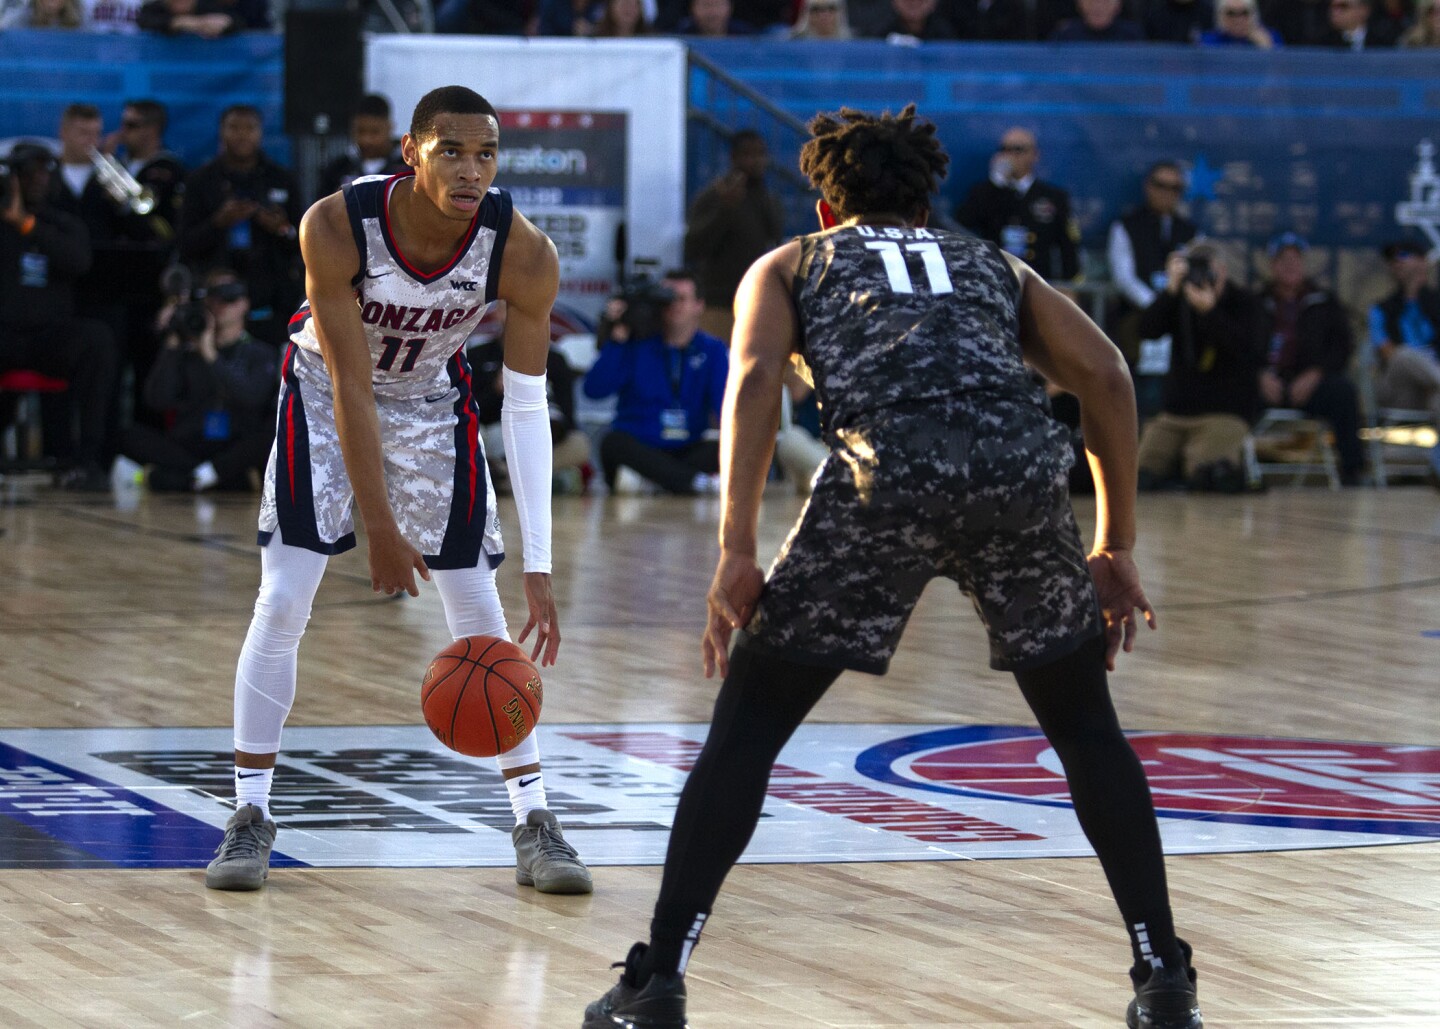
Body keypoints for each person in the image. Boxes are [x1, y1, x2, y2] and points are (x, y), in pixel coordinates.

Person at [582, 104, 1203, 1029]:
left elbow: (753, 383)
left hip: (887, 473)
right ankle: (1163, 978)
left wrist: (736, 552)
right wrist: (1116, 545)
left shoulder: (793, 262)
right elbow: (1107, 374)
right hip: (1020, 472)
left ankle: (658, 978)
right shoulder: (997, 262)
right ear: (928, 196)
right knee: (1086, 730)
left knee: (748, 728)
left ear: (825, 205)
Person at [204, 85, 592, 897]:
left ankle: (534, 819)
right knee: (282, 602)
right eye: (451, 150)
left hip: (430, 398)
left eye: (486, 153)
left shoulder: (522, 252)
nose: (471, 169)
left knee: (480, 614)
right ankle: (248, 814)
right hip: (323, 390)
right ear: (410, 152)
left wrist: (541, 563)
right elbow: (349, 382)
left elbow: (525, 406)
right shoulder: (336, 225)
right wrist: (378, 524)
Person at [0, 143, 119, 490]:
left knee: (97, 339)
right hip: (4, 334)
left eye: (45, 170)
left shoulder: (62, 222)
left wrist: (26, 225)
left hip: (47, 337)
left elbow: (79, 262)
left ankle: (86, 460)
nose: (39, 178)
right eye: (30, 170)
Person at [118, 266, 277, 492]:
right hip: (191, 445)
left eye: (229, 297)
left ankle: (177, 479)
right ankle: (212, 478)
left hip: (236, 446)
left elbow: (251, 397)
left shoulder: (261, 353)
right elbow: (157, 400)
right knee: (129, 434)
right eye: (215, 297)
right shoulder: (186, 352)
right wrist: (172, 342)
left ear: (245, 304)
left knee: (276, 430)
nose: (221, 304)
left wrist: (210, 354)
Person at [582, 270, 730, 494]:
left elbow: (725, 408)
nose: (673, 305)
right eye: (667, 298)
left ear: (699, 305)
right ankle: (694, 482)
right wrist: (618, 337)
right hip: (639, 445)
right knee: (612, 443)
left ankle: (653, 482)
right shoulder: (635, 344)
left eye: (681, 299)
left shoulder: (712, 350)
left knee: (728, 448)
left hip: (687, 446)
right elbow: (594, 389)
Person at [1136, 242, 1265, 491]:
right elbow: (1146, 330)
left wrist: (1210, 312)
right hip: (1175, 414)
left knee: (1206, 475)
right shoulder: (1179, 300)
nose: (1202, 277)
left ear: (1224, 271)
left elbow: (1251, 353)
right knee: (1142, 472)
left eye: (1208, 269)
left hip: (1224, 413)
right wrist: (1170, 291)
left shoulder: (1247, 303)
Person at [178, 104, 304, 347]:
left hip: (271, 301)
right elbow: (185, 244)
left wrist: (281, 228)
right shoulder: (200, 181)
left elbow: (302, 243)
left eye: (249, 128)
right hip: (216, 300)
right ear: (221, 132)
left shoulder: (282, 179)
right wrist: (218, 223)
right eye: (234, 127)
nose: (242, 135)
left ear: (261, 133)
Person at [1255, 232, 1365, 485]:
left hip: (1310, 383)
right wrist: (1258, 375)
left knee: (1344, 392)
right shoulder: (1256, 302)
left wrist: (1316, 373)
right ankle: (1229, 465)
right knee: (1232, 391)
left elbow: (1342, 346)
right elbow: (1240, 346)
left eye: (1296, 259)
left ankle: (1352, 471)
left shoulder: (1325, 302)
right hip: (1265, 382)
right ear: (1273, 265)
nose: (1291, 265)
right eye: (1284, 259)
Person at [467, 301, 592, 494]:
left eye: (526, 310)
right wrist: (496, 390)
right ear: (497, 314)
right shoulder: (478, 355)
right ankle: (526, 480)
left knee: (579, 444)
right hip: (494, 432)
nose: (519, 317)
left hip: (540, 436)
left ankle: (504, 479)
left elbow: (569, 417)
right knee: (471, 437)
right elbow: (470, 412)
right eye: (510, 309)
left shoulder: (556, 359)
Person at [1107, 160, 1198, 419]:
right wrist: (1157, 307)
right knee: (1138, 387)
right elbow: (1124, 277)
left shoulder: (1190, 231)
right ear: (1147, 187)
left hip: (1179, 321)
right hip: (1138, 317)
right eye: (1160, 185)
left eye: (1175, 187)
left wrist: (1170, 308)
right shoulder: (1125, 225)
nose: (1167, 193)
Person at [683, 130, 785, 342]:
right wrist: (725, 210)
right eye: (748, 154)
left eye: (760, 154)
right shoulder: (715, 196)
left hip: (757, 304)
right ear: (734, 158)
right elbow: (692, 247)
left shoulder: (769, 198)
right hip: (719, 306)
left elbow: (775, 240)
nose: (756, 161)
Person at [955, 127, 1080, 284]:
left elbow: (1068, 246)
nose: (1010, 156)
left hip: (1039, 282)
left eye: (1018, 149)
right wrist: (997, 183)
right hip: (996, 280)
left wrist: (1068, 284)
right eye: (1005, 150)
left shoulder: (1053, 196)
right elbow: (963, 223)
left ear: (1034, 155)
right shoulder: (984, 192)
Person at [1368, 239, 1440, 480]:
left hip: (1431, 391)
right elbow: (1388, 353)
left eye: (1404, 256)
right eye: (1392, 259)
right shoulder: (1381, 309)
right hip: (1398, 389)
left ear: (1422, 262)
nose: (1397, 263)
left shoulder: (1436, 303)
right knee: (1405, 355)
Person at [317, 94, 408, 199]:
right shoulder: (338, 170)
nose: (366, 140)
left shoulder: (409, 167)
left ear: (390, 127)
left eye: (374, 132)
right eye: (360, 131)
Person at [1307, 0, 1400, 46]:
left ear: (1363, 10)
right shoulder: (1323, 42)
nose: (1335, 12)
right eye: (1333, 7)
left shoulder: (1383, 42)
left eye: (1343, 7)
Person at [1049, 0, 1144, 40]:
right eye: (1091, 1)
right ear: (1079, 3)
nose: (1098, 7)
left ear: (1118, 5)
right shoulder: (1065, 36)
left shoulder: (1132, 36)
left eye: (1105, 1)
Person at [1199, 0, 1281, 45]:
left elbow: (1282, 71)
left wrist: (1267, 49)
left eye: (1244, 13)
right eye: (1231, 13)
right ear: (1221, 16)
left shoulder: (1271, 38)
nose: (1238, 19)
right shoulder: (1209, 41)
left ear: (1253, 15)